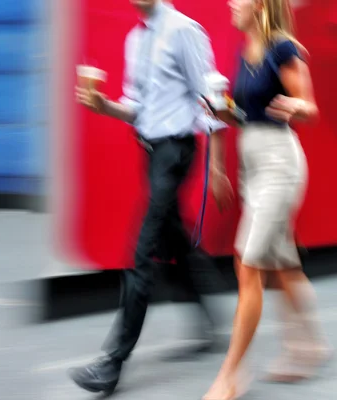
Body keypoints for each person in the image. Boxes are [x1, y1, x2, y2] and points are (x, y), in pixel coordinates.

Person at [69, 0, 233, 394]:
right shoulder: (135, 38)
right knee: (174, 238)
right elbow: (136, 107)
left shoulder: (183, 30)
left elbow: (213, 99)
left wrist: (218, 167)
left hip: (176, 152)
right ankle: (212, 317)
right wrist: (103, 105)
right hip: (152, 153)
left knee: (143, 252)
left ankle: (112, 362)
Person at [202, 0, 332, 398]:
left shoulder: (282, 48)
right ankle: (310, 346)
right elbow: (248, 116)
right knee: (282, 266)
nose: (230, 5)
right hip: (252, 170)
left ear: (259, 5)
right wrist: (223, 114)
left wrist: (297, 105)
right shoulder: (247, 52)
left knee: (250, 264)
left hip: (279, 165)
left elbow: (309, 108)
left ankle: (231, 375)